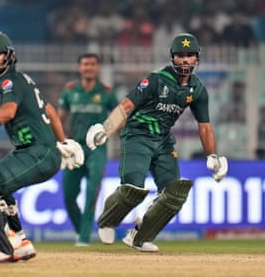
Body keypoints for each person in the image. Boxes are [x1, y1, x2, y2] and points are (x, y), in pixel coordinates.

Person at [0, 31, 84, 263]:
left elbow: (8, 113)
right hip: (33, 151)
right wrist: (63, 141)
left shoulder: (11, 81)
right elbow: (50, 111)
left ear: (9, 56)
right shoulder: (22, 80)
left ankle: (2, 247)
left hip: (38, 152)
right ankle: (19, 241)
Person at [85, 33, 228, 252]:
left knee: (175, 193)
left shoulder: (197, 90)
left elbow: (205, 126)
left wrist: (212, 156)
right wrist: (107, 128)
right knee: (133, 189)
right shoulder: (155, 80)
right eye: (181, 55)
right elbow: (126, 105)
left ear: (197, 59)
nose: (185, 60)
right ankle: (108, 220)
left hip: (163, 141)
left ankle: (139, 237)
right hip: (137, 136)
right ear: (173, 58)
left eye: (190, 55)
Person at [58, 53, 118, 246]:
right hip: (75, 147)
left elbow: (118, 118)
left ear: (98, 68)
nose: (89, 68)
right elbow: (60, 119)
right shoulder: (70, 91)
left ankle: (83, 238)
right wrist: (61, 142)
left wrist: (106, 132)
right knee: (68, 195)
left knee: (92, 191)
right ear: (79, 68)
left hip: (97, 149)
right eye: (85, 64)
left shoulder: (107, 92)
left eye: (92, 64)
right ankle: (80, 230)